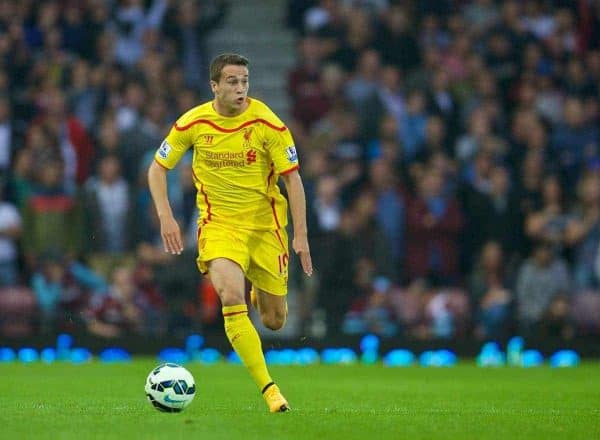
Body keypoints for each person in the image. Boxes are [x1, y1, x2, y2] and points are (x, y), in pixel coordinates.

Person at [147, 53, 312, 412]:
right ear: (215, 86)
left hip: (266, 227)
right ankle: (270, 390)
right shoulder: (193, 123)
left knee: (274, 319)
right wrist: (167, 216)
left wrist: (300, 235)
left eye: (244, 82)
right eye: (233, 82)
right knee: (230, 297)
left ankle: (258, 291)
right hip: (218, 226)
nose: (240, 89)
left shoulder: (268, 123)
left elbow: (293, 179)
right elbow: (157, 169)